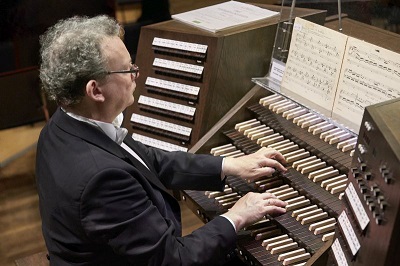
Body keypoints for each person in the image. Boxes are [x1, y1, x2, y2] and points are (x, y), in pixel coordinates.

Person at [36, 15, 288, 266]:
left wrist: (229, 165)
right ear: (96, 91)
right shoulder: (102, 179)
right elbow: (174, 259)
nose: (136, 73)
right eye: (127, 69)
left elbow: (145, 161)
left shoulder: (63, 125)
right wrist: (236, 216)